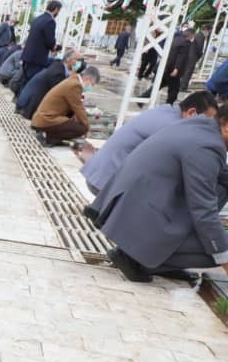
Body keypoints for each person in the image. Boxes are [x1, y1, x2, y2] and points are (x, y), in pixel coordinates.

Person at [91, 105, 228, 282]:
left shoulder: (201, 127)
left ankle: (155, 260)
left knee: (222, 188)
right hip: (140, 222)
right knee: (220, 244)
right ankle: (139, 259)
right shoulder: (206, 147)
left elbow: (222, 176)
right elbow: (204, 212)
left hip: (133, 211)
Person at [81, 90, 216, 196]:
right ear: (192, 113)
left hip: (99, 175)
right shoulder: (170, 127)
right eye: (206, 123)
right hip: (104, 184)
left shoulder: (166, 111)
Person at [31, 65, 100, 147]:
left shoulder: (73, 79)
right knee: (82, 129)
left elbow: (75, 107)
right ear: (87, 79)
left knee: (75, 122)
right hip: (46, 119)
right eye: (92, 84)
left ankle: (53, 139)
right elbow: (78, 108)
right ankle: (49, 138)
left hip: (44, 117)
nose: (90, 87)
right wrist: (87, 127)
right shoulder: (75, 85)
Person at [18, 48, 82, 120]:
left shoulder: (58, 66)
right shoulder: (58, 72)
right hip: (35, 111)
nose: (79, 63)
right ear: (68, 59)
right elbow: (61, 96)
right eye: (77, 60)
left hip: (33, 105)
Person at [22, 0, 62, 82]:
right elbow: (50, 41)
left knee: (25, 81)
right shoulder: (50, 21)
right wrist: (54, 47)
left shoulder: (37, 18)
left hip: (27, 55)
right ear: (56, 9)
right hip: (37, 58)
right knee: (32, 82)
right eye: (59, 11)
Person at [180, 24, 208, 92]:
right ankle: (183, 87)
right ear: (206, 30)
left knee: (186, 71)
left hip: (191, 56)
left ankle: (182, 86)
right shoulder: (200, 36)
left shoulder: (198, 35)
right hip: (193, 56)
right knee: (188, 72)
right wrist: (200, 55)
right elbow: (199, 48)